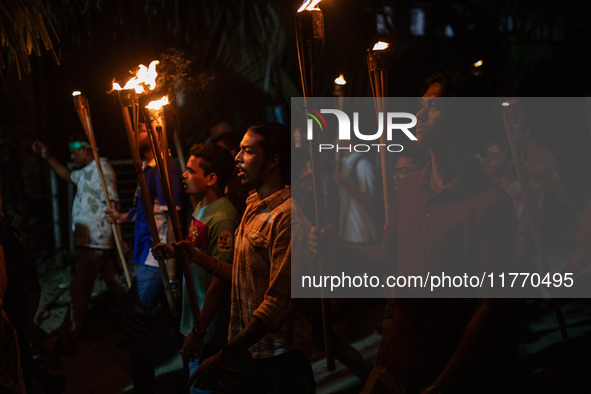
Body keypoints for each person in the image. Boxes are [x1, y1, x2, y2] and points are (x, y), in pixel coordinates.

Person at [175, 122, 314, 393]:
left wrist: (224, 355)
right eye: (239, 150)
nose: (237, 157)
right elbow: (240, 275)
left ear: (272, 161)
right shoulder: (252, 205)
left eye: (248, 151)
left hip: (277, 361)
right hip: (246, 353)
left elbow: (275, 307)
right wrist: (197, 258)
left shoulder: (287, 218)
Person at [154, 143, 239, 393]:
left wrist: (200, 331)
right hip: (195, 317)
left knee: (203, 387)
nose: (184, 175)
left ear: (211, 178)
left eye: (191, 171)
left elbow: (221, 279)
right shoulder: (202, 206)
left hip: (209, 327)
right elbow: (197, 253)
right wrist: (172, 252)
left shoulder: (223, 217)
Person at [104, 125, 183, 394]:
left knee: (133, 316)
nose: (132, 130)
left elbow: (170, 219)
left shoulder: (164, 167)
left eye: (139, 127)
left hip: (156, 257)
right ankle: (192, 371)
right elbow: (146, 210)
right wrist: (123, 218)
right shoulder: (147, 168)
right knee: (175, 320)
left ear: (155, 131)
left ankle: (145, 386)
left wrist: (170, 269)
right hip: (146, 253)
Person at [32, 133, 126, 351]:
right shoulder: (86, 172)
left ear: (86, 149)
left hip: (97, 239)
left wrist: (119, 239)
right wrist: (48, 156)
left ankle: (67, 337)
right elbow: (67, 175)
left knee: (79, 289)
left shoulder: (102, 171)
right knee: (117, 286)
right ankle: (137, 322)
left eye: (75, 151)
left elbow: (114, 205)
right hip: (94, 240)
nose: (72, 155)